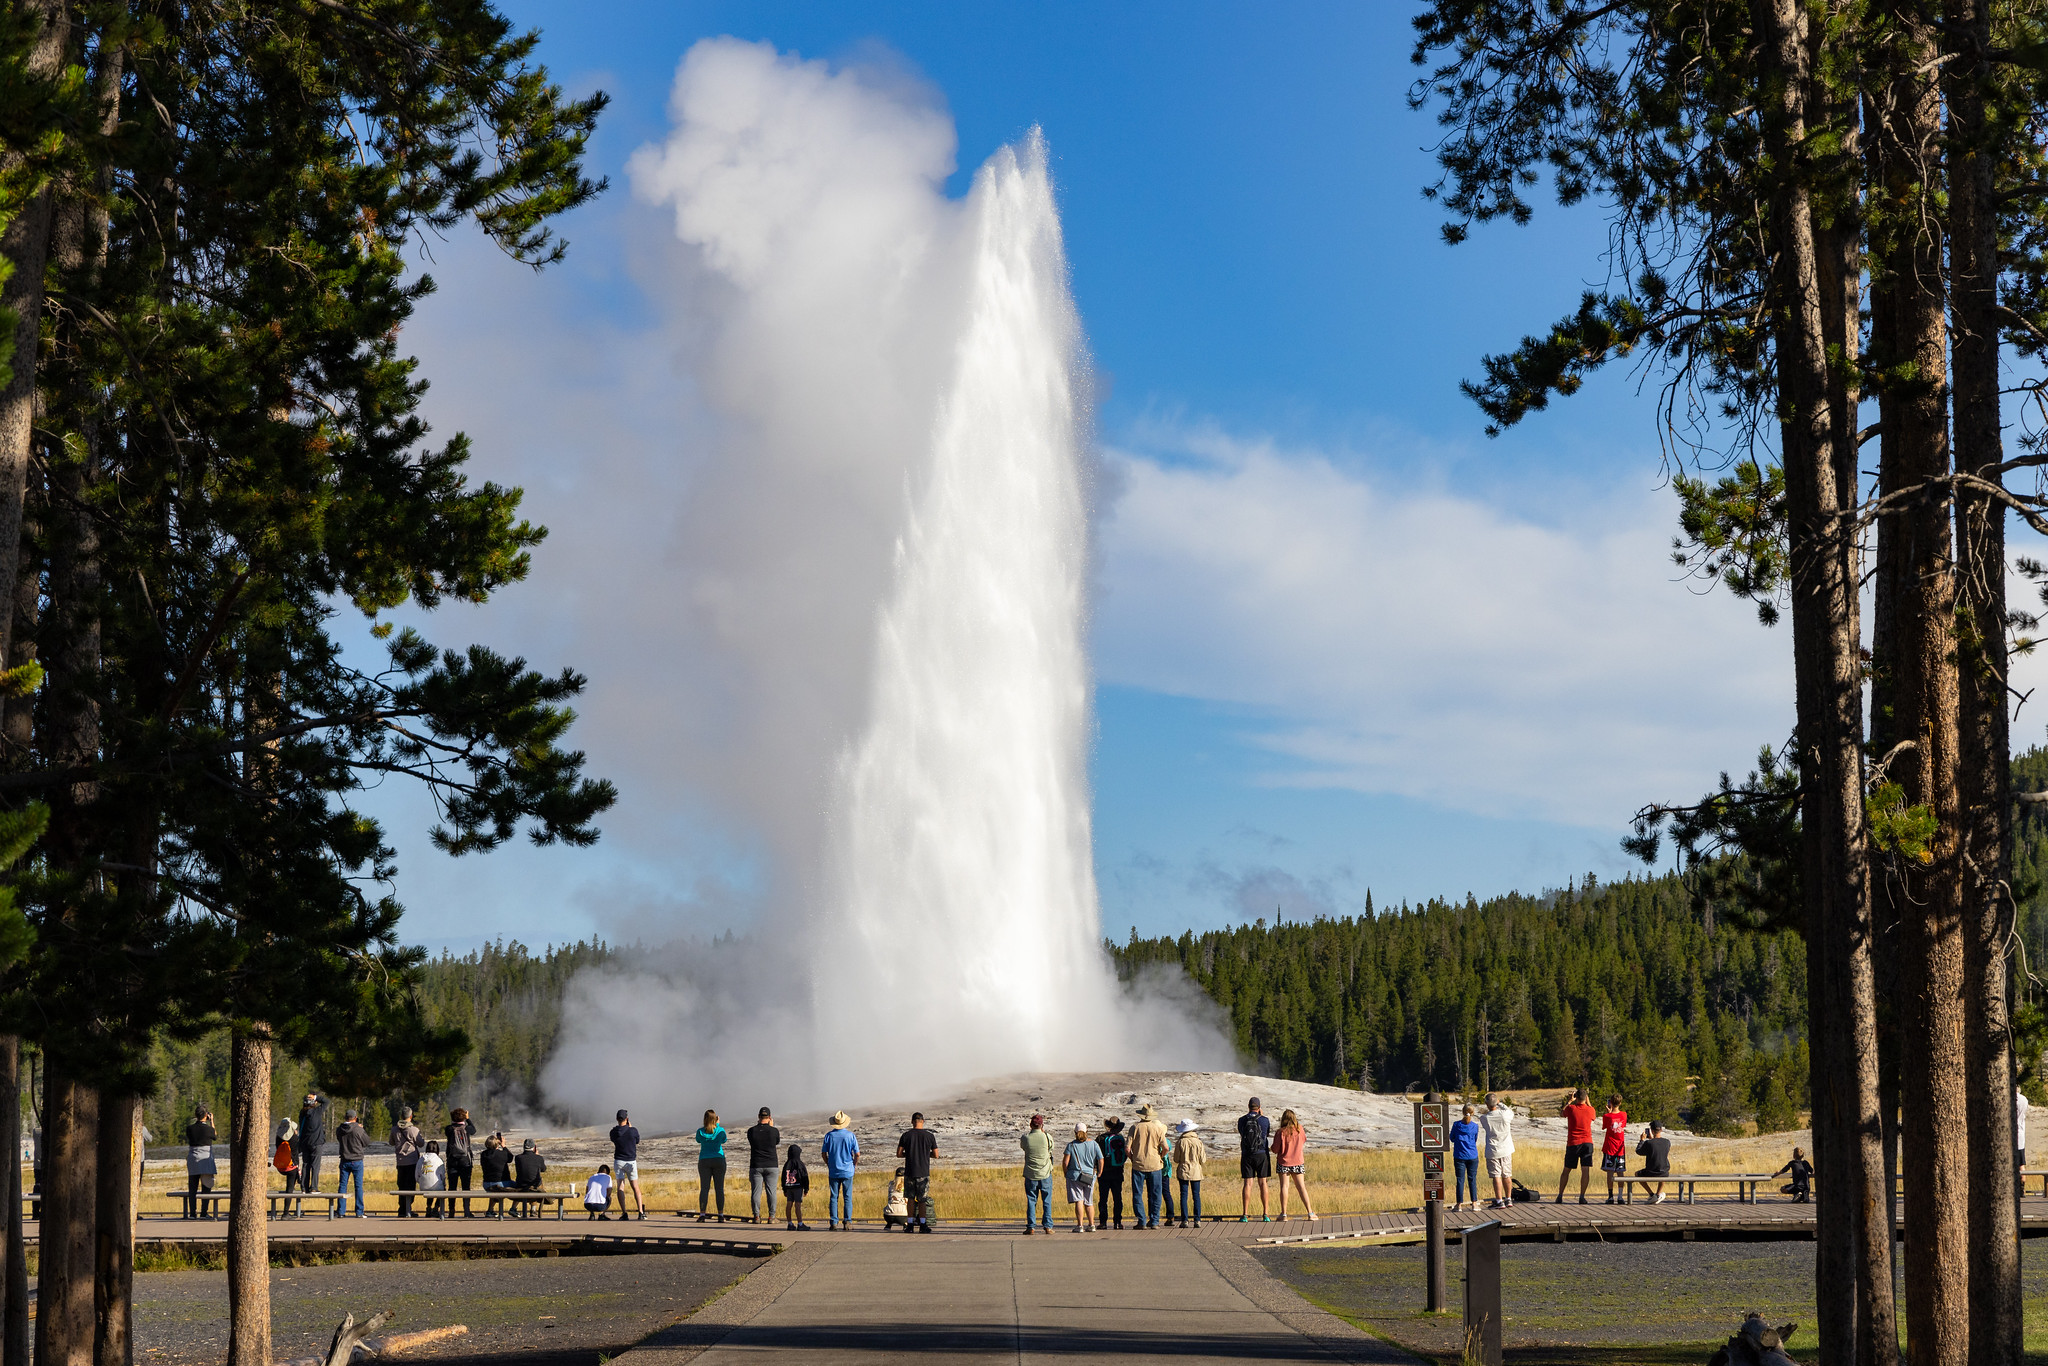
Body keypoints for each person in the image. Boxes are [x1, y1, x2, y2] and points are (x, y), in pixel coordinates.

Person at [1127, 1104, 1171, 1229]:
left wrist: (1132, 1158)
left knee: (1137, 1194)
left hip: (1139, 1165)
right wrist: (1161, 1156)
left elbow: (1127, 1148)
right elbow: (1166, 1148)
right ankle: (1155, 1221)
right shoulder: (1157, 1128)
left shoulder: (1134, 1128)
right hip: (1155, 1165)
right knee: (1156, 1193)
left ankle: (1141, 1220)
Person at [896, 1111, 940, 1233]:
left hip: (910, 1171)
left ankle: (909, 1225)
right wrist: (926, 1154)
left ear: (912, 1122)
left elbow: (899, 1154)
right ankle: (922, 1224)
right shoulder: (929, 1136)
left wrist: (909, 1154)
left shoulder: (906, 1135)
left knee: (910, 1199)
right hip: (923, 1172)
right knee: (922, 1200)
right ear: (923, 1121)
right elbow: (936, 1154)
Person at [1273, 1108, 1317, 1220]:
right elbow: (1304, 1140)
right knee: (1301, 1187)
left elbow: (1275, 1149)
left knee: (1284, 1186)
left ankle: (1284, 1214)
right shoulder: (1300, 1129)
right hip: (1297, 1161)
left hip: (1284, 1162)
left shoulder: (1280, 1132)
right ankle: (1310, 1213)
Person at [1556, 1087, 1596, 1205]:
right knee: (1585, 1170)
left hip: (1573, 1143)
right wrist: (1588, 1101)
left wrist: (1569, 1101)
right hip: (1587, 1142)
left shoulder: (1571, 1108)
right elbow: (1593, 1114)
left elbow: (1561, 1113)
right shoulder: (1590, 1110)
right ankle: (1582, 1196)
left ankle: (1560, 1195)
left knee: (1566, 1170)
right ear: (1586, 1098)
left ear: (1576, 1097)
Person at [821, 1111, 860, 1231]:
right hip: (848, 1170)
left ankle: (833, 1222)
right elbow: (857, 1154)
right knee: (847, 1196)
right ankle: (847, 1221)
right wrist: (853, 1164)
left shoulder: (829, 1136)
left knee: (834, 1196)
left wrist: (829, 1163)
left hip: (834, 1170)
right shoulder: (850, 1136)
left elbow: (824, 1153)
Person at [1063, 1123, 1103, 1233]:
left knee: (1079, 1200)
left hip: (1075, 1176)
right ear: (1086, 1131)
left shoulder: (1071, 1146)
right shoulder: (1094, 1144)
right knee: (1089, 1201)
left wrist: (1066, 1173)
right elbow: (1100, 1159)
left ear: (1075, 1132)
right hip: (1090, 1176)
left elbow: (1065, 1162)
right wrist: (1099, 1172)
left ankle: (1080, 1225)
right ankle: (1092, 1224)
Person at [1237, 1097, 1273, 1222]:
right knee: (1263, 1183)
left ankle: (1245, 1214)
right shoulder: (1265, 1120)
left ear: (1248, 1106)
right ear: (1259, 1107)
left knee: (1248, 1183)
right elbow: (1266, 1134)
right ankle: (1266, 1214)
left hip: (1247, 1154)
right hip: (1261, 1153)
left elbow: (1242, 1134)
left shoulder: (1242, 1120)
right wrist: (1261, 1116)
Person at [1020, 1113, 1056, 1234]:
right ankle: (1048, 1226)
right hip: (1045, 1172)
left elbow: (1023, 1147)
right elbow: (1051, 1149)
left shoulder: (1025, 1138)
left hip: (1031, 1173)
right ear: (1041, 1125)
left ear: (1031, 1125)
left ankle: (1031, 1226)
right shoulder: (1047, 1137)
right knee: (1046, 1200)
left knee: (1031, 1200)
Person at [1480, 1094, 1515, 1210]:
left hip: (1493, 1150)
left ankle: (1499, 1200)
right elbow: (1509, 1110)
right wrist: (1500, 1103)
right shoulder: (1505, 1115)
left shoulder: (1484, 1118)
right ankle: (1508, 1198)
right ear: (1497, 1102)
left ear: (1486, 1104)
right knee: (1507, 1175)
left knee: (1496, 1175)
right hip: (1506, 1149)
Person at [747, 1107, 781, 1225]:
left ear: (758, 1116)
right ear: (770, 1117)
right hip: (771, 1164)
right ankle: (771, 1217)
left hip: (756, 1165)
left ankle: (756, 1216)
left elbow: (751, 1141)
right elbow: (776, 1142)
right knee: (771, 1191)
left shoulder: (751, 1131)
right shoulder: (774, 1131)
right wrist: (770, 1127)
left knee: (756, 1191)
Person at [609, 1109, 645, 1221]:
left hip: (619, 1161)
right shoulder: (633, 1130)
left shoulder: (613, 1132)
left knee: (620, 1187)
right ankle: (640, 1212)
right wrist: (630, 1128)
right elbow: (637, 1141)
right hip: (631, 1161)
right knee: (635, 1187)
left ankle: (624, 1213)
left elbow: (613, 1139)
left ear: (616, 1119)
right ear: (627, 1119)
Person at [184, 1105, 217, 1219]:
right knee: (206, 1186)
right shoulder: (208, 1129)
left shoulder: (190, 1128)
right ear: (206, 1116)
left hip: (193, 1159)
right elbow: (215, 1136)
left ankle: (192, 1213)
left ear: (196, 1115)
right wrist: (212, 1121)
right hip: (206, 1159)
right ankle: (204, 1212)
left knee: (192, 1188)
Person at [334, 1109, 369, 1217]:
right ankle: (359, 1211)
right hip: (357, 1160)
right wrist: (361, 1129)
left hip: (344, 1159)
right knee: (358, 1187)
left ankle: (341, 1211)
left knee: (342, 1186)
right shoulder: (358, 1129)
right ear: (355, 1117)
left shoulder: (339, 1129)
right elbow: (366, 1142)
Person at [695, 1109, 728, 1220]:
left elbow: (698, 1140)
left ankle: (702, 1214)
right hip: (718, 1159)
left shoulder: (700, 1132)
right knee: (719, 1189)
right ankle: (720, 1215)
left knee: (704, 1188)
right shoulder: (720, 1130)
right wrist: (717, 1125)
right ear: (715, 1119)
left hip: (704, 1160)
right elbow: (723, 1140)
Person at [444, 1107, 478, 1217]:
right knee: (466, 1187)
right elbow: (474, 1130)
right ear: (464, 1117)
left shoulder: (449, 1129)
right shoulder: (467, 1129)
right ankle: (467, 1211)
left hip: (452, 1161)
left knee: (452, 1187)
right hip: (465, 1160)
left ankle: (451, 1211)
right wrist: (468, 1119)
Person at [1173, 1119, 1206, 1229]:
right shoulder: (1198, 1142)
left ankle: (1185, 1220)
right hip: (1196, 1170)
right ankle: (1197, 1220)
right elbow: (1203, 1159)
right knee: (1196, 1195)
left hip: (1183, 1170)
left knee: (1184, 1195)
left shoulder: (1181, 1142)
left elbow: (1176, 1159)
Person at [1096, 1116, 1128, 1229]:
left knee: (1103, 1199)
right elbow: (1125, 1155)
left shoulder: (1100, 1138)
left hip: (1104, 1173)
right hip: (1117, 1172)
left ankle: (1103, 1222)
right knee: (1117, 1198)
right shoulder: (1121, 1138)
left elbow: (1097, 1156)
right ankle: (1117, 1222)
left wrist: (1098, 1169)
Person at [1449, 1104, 1482, 1211]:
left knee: (1460, 1180)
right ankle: (1474, 1203)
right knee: (1472, 1179)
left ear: (1463, 1112)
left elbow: (1452, 1138)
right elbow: (1475, 1139)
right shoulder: (1475, 1126)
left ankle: (1459, 1204)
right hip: (1472, 1155)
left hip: (1459, 1155)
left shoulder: (1456, 1125)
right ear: (1472, 1113)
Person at [391, 1108, 423, 1218]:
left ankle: (402, 1209)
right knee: (410, 1186)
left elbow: (391, 1142)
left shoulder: (394, 1129)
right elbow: (421, 1143)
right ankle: (408, 1209)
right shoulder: (413, 1130)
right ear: (411, 1116)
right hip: (412, 1161)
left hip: (400, 1161)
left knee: (401, 1186)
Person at [1599, 1094, 1629, 1204]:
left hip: (1610, 1147)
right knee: (1620, 1172)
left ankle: (1610, 1196)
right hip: (1620, 1148)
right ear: (1620, 1103)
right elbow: (1623, 1125)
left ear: (1610, 1102)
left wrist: (1609, 1112)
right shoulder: (1624, 1115)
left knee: (1610, 1172)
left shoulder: (1607, 1116)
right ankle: (1620, 1197)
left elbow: (1605, 1127)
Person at [295, 1093, 326, 1199]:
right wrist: (316, 1097)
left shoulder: (302, 1113)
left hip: (305, 1142)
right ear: (314, 1103)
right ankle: (314, 1187)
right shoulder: (317, 1112)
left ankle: (304, 1187)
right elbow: (326, 1101)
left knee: (305, 1164)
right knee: (315, 1165)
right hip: (316, 1142)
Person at [1635, 1120, 1672, 1204]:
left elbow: (1639, 1151)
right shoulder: (1667, 1142)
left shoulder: (1648, 1143)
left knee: (1637, 1174)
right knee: (1664, 1170)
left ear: (1651, 1130)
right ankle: (1658, 1193)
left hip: (1650, 1171)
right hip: (1664, 1172)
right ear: (1661, 1130)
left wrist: (1642, 1140)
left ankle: (1652, 1194)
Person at [480, 1134, 516, 1218]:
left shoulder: (483, 1154)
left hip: (486, 1184)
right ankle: (513, 1208)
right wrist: (504, 1146)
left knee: (494, 1188)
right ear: (497, 1144)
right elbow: (510, 1158)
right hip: (502, 1183)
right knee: (520, 1187)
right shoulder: (502, 1154)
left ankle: (490, 1210)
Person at [513, 1138, 548, 1219]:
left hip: (520, 1185)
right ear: (534, 1147)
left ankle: (514, 1208)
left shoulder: (518, 1158)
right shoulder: (539, 1158)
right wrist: (537, 1156)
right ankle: (533, 1209)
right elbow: (544, 1169)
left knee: (532, 1181)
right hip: (533, 1186)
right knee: (537, 1182)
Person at [273, 1114, 303, 1205]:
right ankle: (286, 1213)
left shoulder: (278, 1138)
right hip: (291, 1166)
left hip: (280, 1166)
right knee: (289, 1189)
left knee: (290, 1188)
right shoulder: (294, 1138)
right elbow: (298, 1151)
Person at [781, 1144, 811, 1230]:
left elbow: (783, 1177)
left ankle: (790, 1223)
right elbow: (804, 1176)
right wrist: (806, 1188)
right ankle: (800, 1224)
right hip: (798, 1187)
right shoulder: (800, 1163)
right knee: (798, 1205)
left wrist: (784, 1188)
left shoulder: (787, 1164)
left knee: (789, 1204)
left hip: (789, 1187)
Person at [418, 1140, 447, 1217]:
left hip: (423, 1186)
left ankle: (428, 1207)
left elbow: (417, 1174)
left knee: (429, 1188)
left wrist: (420, 1181)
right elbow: (443, 1175)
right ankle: (436, 1208)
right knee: (440, 1189)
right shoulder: (438, 1160)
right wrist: (443, 1183)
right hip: (436, 1186)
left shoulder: (421, 1159)